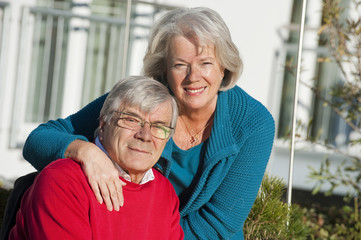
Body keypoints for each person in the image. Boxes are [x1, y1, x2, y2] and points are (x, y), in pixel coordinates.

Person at [22, 7, 275, 239]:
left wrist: (144, 229)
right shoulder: (136, 104)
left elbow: (217, 225)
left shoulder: (254, 124)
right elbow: (38, 140)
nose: (193, 77)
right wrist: (84, 150)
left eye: (206, 63)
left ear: (224, 67)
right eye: (180, 65)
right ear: (164, 69)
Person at [9, 76, 183, 240]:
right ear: (103, 122)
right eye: (131, 119)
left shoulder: (165, 192)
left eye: (159, 127)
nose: (145, 135)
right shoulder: (62, 182)